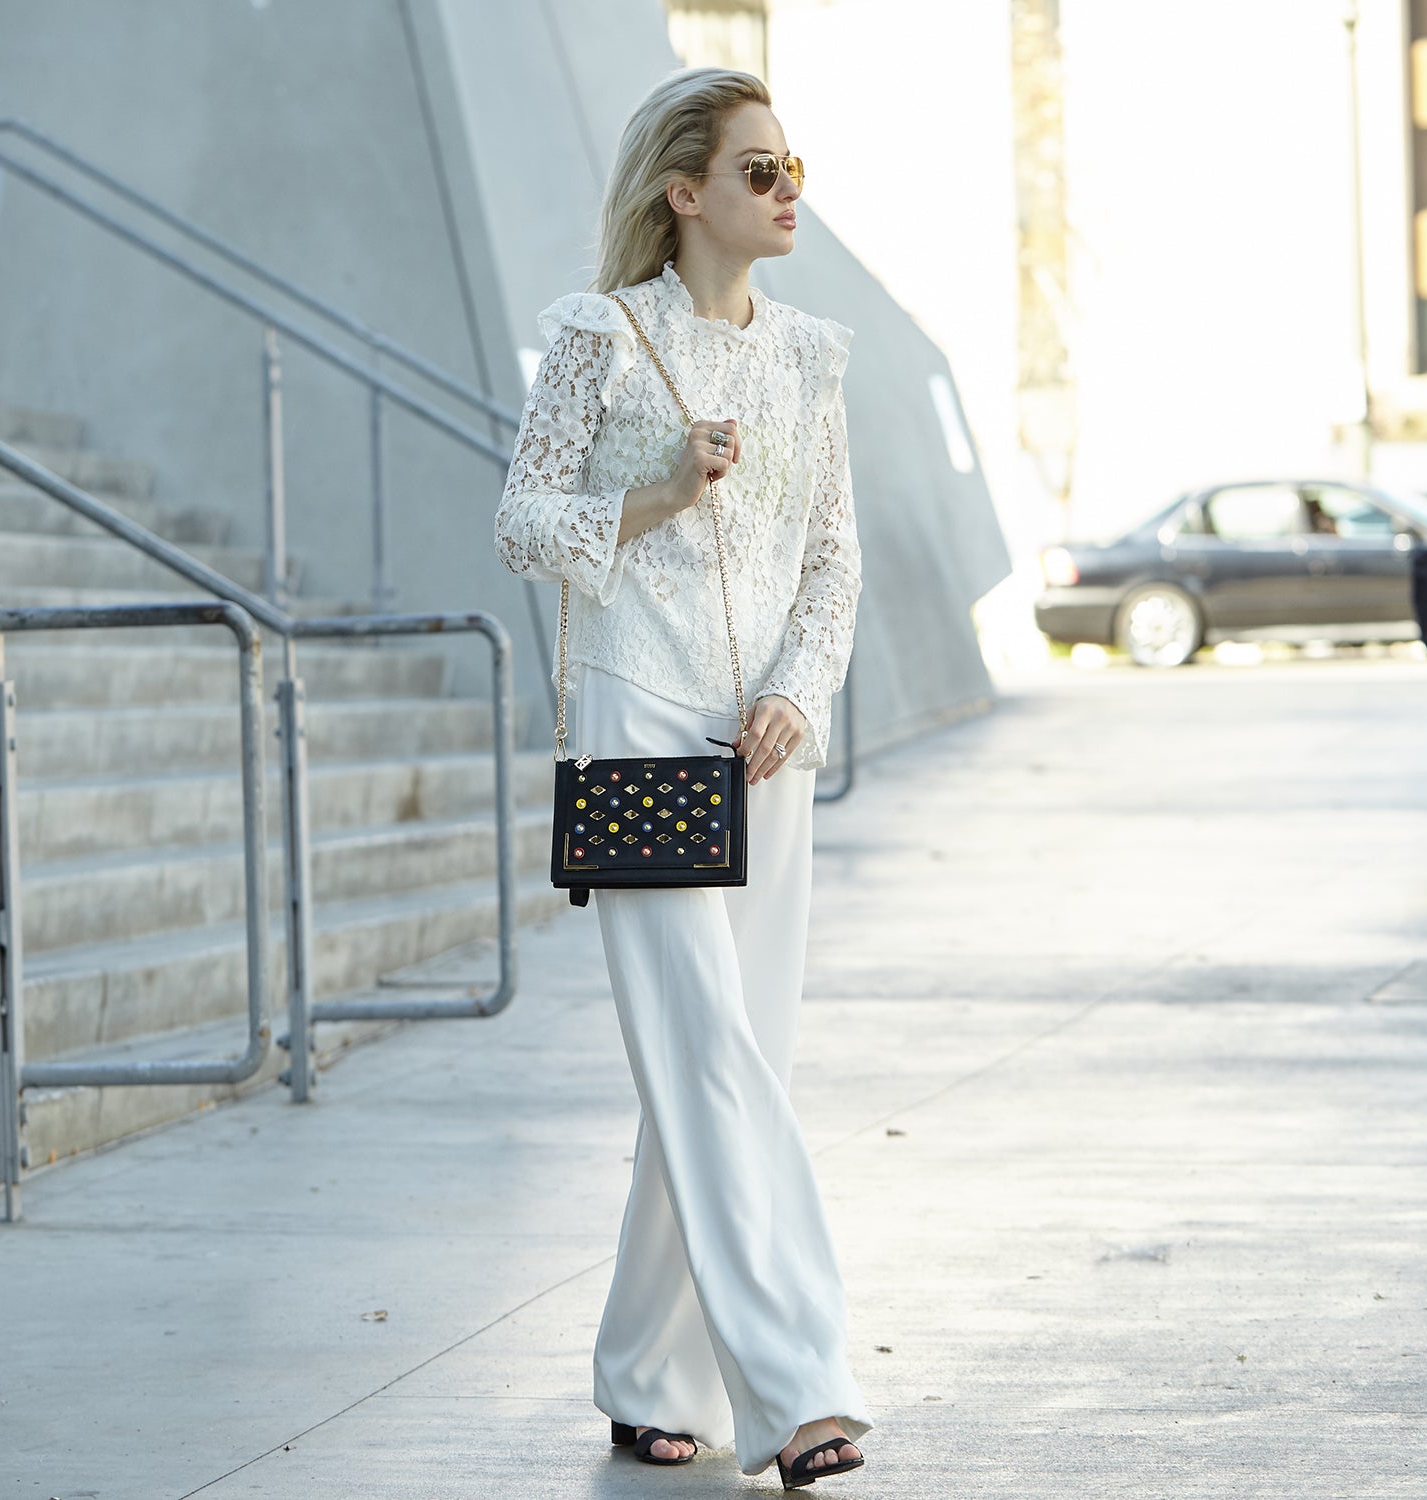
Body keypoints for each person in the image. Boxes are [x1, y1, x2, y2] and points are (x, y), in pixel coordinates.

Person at [494, 67, 871, 1488]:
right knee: (710, 1053)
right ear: (686, 191)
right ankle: (799, 1387)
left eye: (793, 167)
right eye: (759, 172)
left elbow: (835, 561)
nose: (787, 192)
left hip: (761, 742)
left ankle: (649, 1376)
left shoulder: (814, 357)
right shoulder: (600, 337)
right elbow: (526, 523)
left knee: (724, 1064)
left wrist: (795, 691)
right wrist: (659, 487)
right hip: (640, 724)